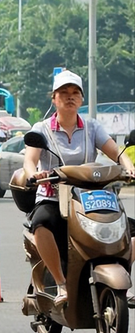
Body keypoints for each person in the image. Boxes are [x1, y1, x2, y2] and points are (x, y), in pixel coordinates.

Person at [23, 70, 135, 307]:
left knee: (128, 230)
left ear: (81, 100)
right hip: (53, 198)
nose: (70, 97)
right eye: (64, 93)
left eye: (75, 93)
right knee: (41, 224)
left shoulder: (93, 127)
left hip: (90, 198)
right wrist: (34, 174)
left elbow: (116, 152)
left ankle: (124, 277)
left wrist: (129, 167)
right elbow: (29, 160)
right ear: (54, 98)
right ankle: (61, 283)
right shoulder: (42, 128)